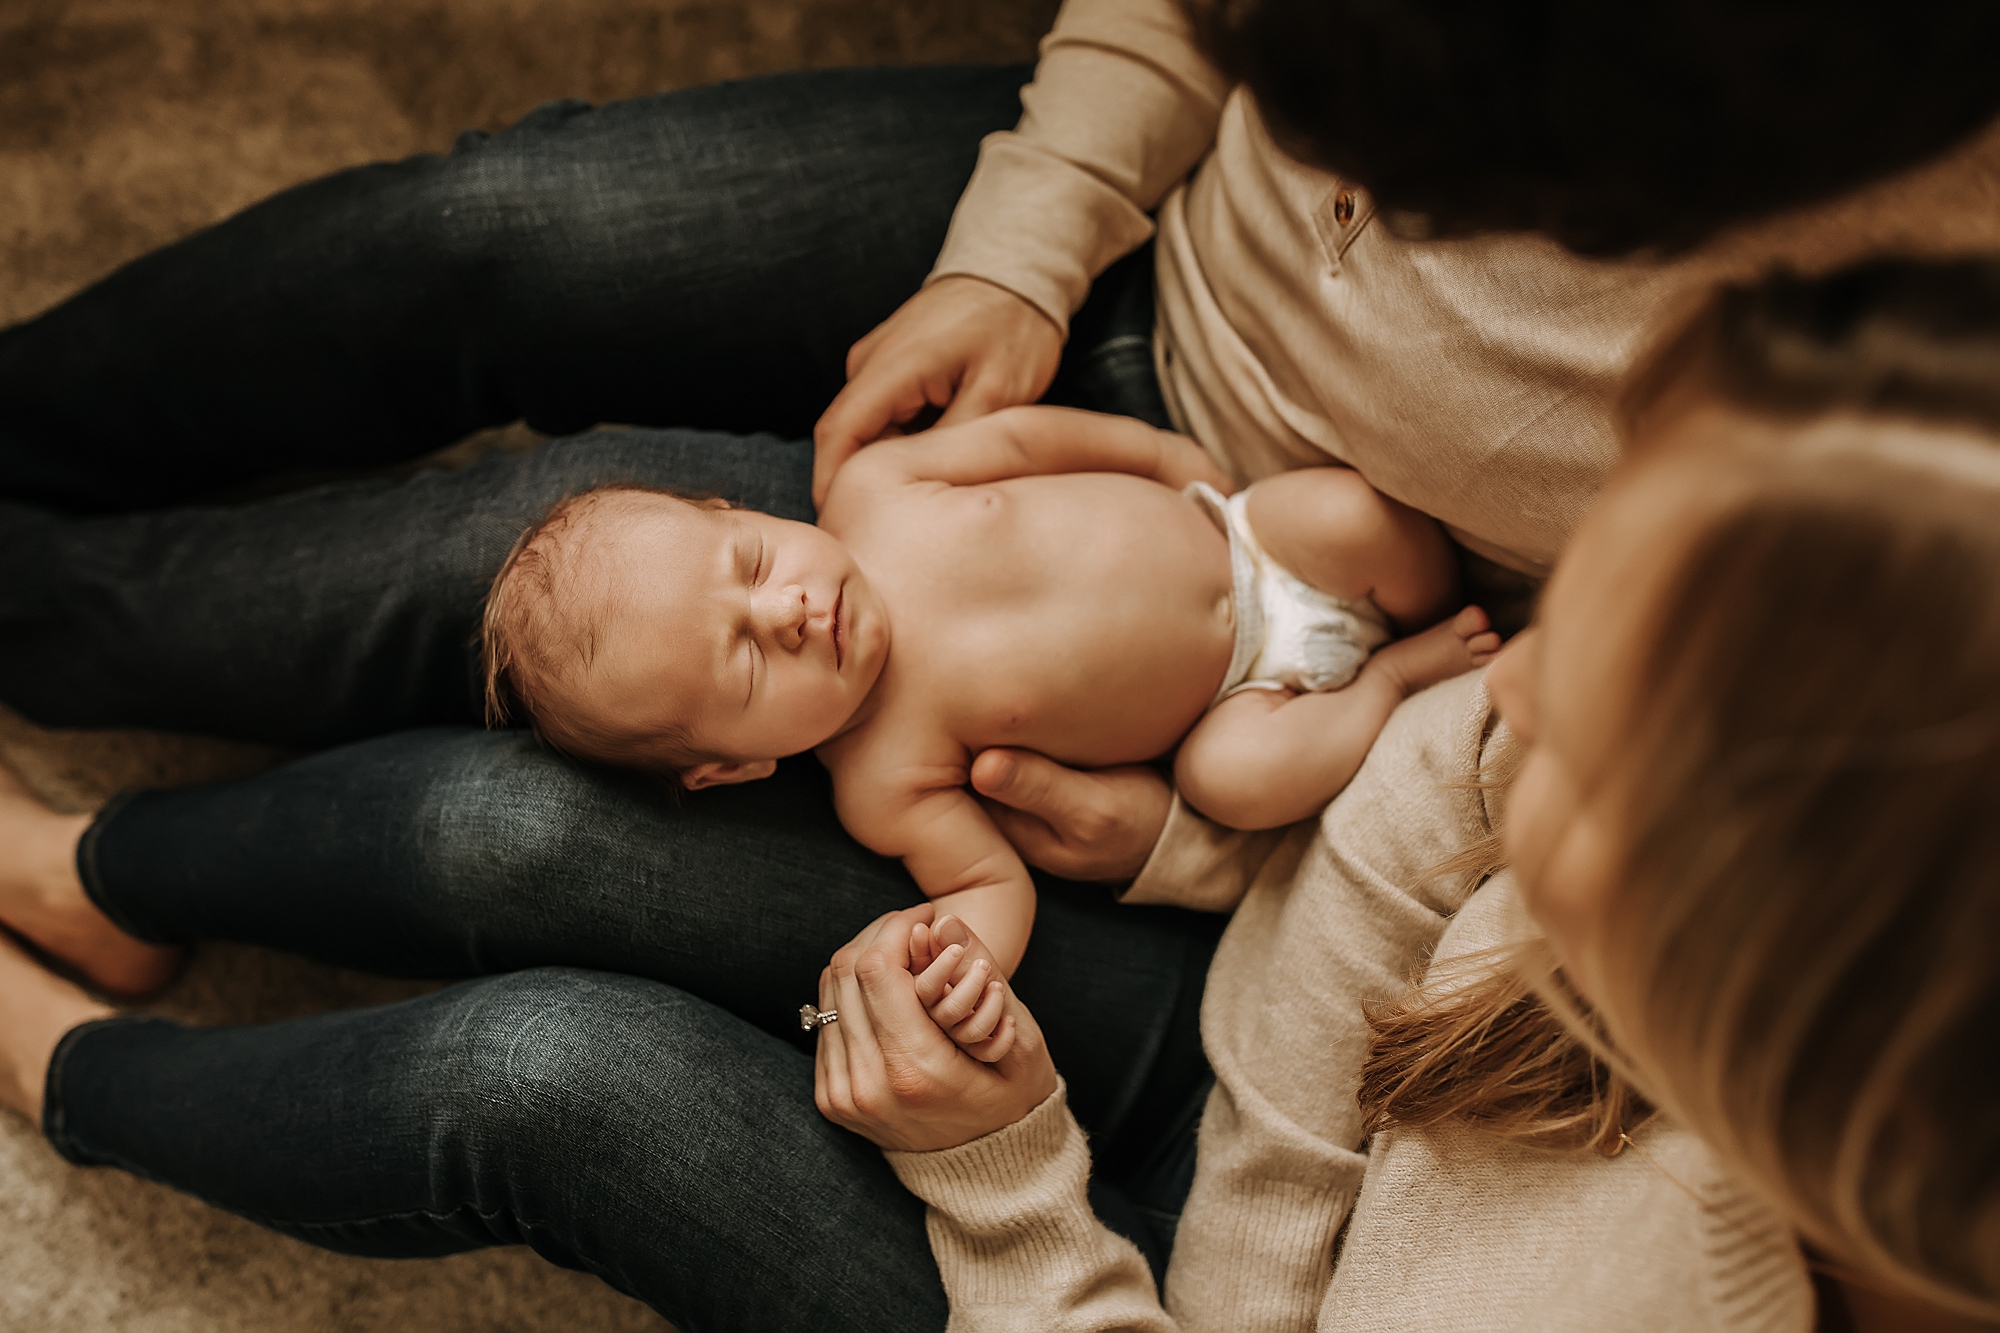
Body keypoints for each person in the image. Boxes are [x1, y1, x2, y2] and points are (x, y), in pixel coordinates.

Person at [0, 0, 1996, 1325]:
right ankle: (101, 863)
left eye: (1590, 700)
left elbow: (1360, 768)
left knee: (524, 991)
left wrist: (1010, 1156)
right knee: (532, 444)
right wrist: (1024, 273)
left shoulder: (1665, 1250)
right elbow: (1428, 767)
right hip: (1273, 750)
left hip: (1166, 1192)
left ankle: (80, 1052)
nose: (1522, 680)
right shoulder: (1619, 695)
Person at [813, 257, 2000, 1332]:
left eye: (1594, 725)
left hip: (1063, 1238)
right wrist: (1188, 851)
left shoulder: (1658, 1293)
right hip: (1287, 1009)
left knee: (622, 1068)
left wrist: (1006, 1182)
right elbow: (1436, 774)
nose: (1513, 675)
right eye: (1576, 591)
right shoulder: (1724, 782)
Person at [480, 412, 1490, 976]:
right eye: (744, 661)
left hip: (1252, 540)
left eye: (749, 559)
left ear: (732, 505)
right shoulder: (883, 782)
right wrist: (954, 964)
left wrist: (1158, 456)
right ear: (737, 765)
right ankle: (1402, 681)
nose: (784, 608)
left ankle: (1461, 606)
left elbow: (1023, 445)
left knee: (1350, 513)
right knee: (1228, 779)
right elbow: (987, 887)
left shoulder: (876, 488)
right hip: (1247, 696)